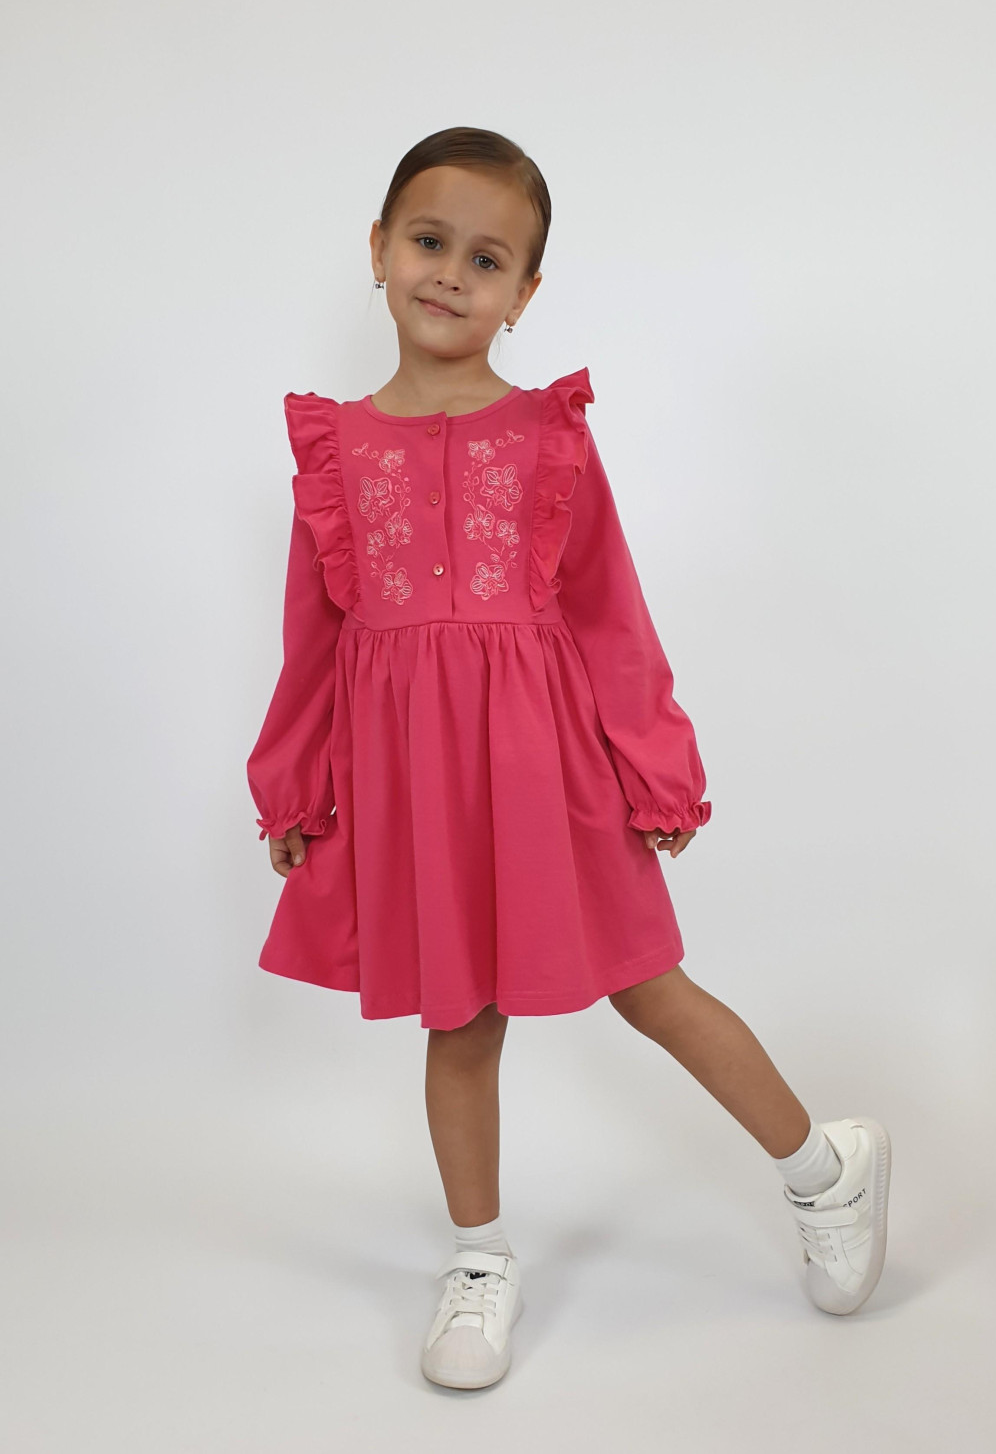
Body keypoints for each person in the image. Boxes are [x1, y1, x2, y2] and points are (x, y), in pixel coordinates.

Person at [246, 125, 892, 1391]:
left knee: (647, 987)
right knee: (458, 1017)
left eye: (486, 260)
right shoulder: (335, 453)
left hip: (547, 770)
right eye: (427, 241)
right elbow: (310, 641)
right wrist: (294, 785)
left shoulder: (547, 439)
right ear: (376, 250)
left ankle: (826, 1170)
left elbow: (608, 613)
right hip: (415, 785)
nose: (450, 273)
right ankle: (480, 1259)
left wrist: (655, 766)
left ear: (524, 294)